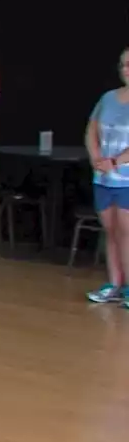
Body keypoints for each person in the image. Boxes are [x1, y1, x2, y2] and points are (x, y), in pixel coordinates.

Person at [84, 48, 129, 304]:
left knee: (127, 232)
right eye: (122, 64)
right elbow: (91, 130)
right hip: (103, 178)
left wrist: (116, 161)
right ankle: (114, 283)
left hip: (126, 178)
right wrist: (96, 158)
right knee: (110, 231)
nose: (125, 69)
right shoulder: (108, 98)